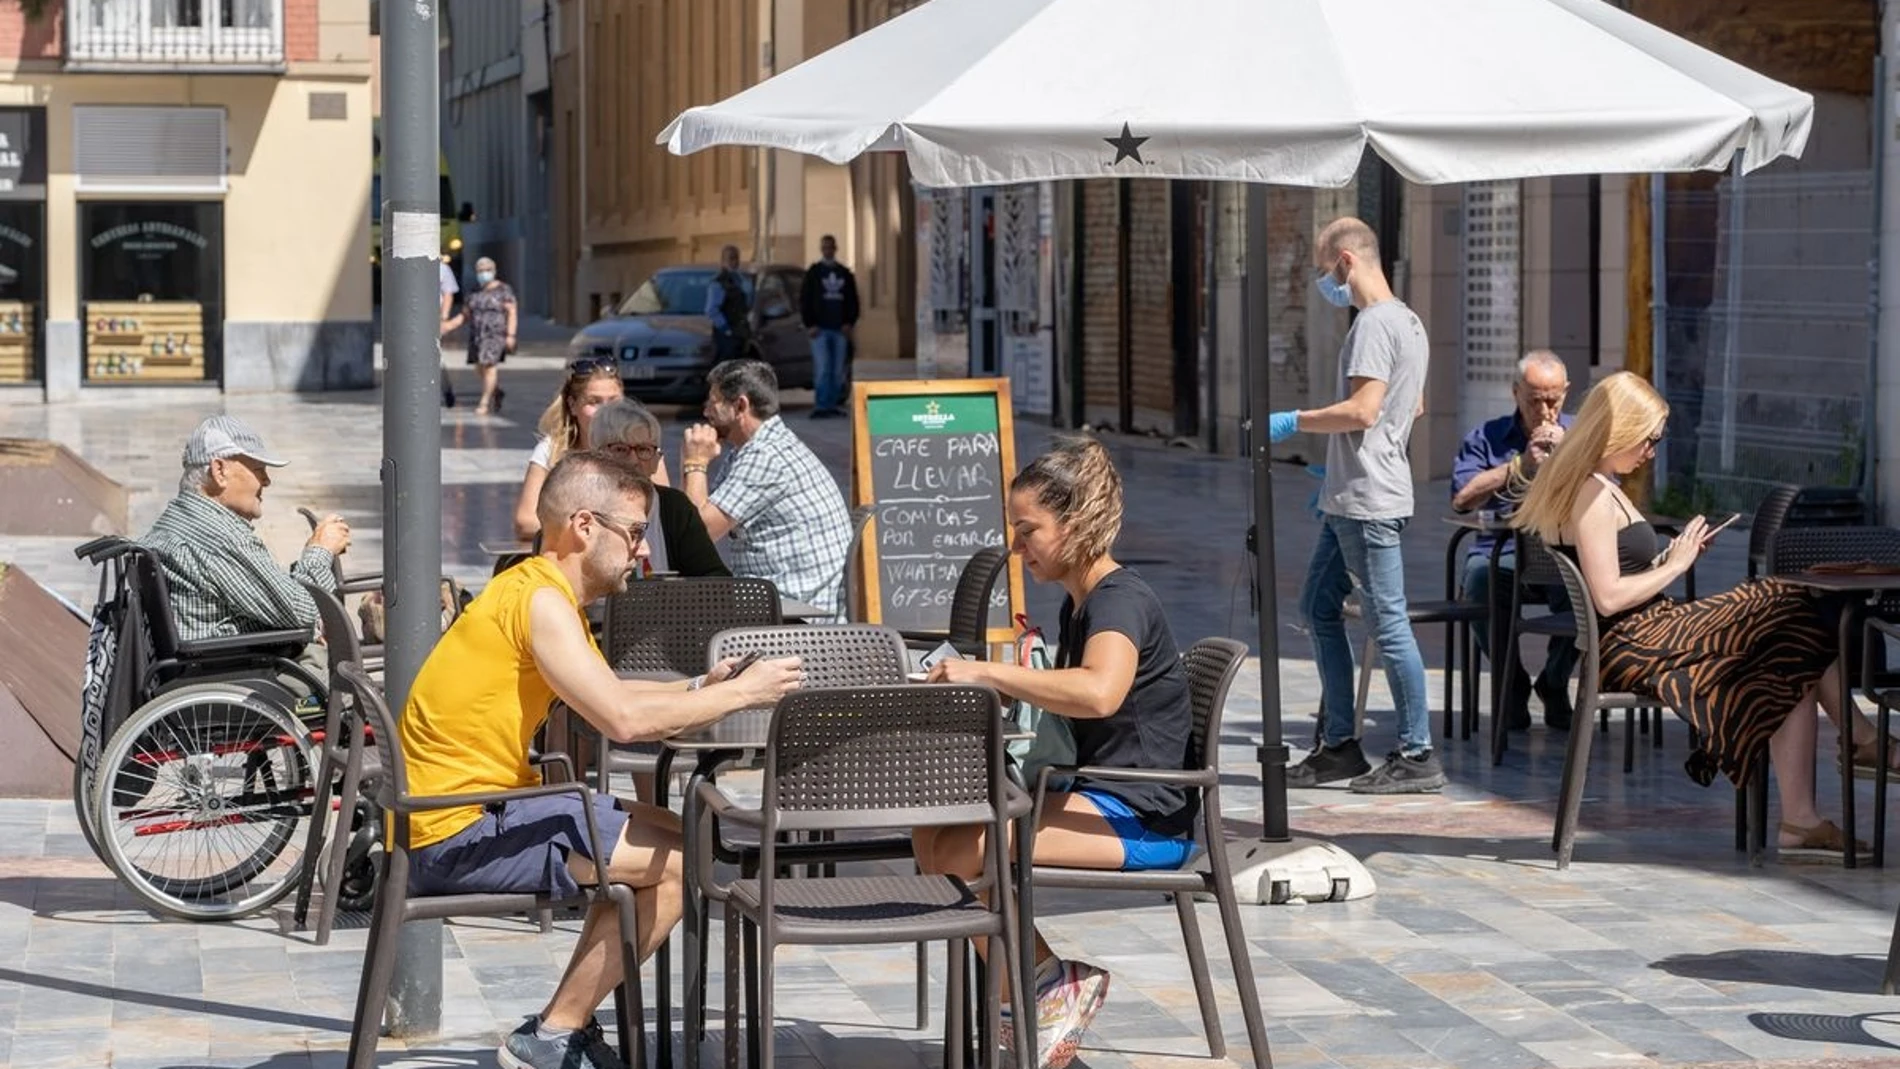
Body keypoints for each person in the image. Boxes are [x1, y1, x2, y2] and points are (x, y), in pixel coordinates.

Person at [398, 450, 802, 1069]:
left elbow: (606, 692)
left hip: (475, 811)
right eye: (635, 532)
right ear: (584, 525)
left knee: (679, 836)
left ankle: (563, 1023)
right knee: (674, 864)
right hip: (455, 829)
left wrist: (701, 686)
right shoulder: (542, 604)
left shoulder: (534, 589)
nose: (644, 551)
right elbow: (620, 721)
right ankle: (556, 1031)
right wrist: (744, 692)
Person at [1513, 371, 1894, 856]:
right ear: (1621, 430)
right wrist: (1675, 564)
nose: (1651, 452)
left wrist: (1668, 557)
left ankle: (1802, 821)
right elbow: (1607, 597)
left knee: (1792, 646)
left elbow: (1615, 574)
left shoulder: (1595, 482)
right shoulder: (1589, 492)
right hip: (1635, 642)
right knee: (1789, 599)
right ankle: (1862, 740)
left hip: (1650, 627)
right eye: (1649, 440)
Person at [916, 436, 1192, 1069]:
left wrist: (991, 675)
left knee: (961, 850)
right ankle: (1042, 989)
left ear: (1076, 522)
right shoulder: (1080, 603)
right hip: (1100, 793)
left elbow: (1099, 692)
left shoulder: (1117, 599)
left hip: (1143, 815)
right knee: (935, 836)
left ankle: (1044, 986)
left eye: (1027, 529)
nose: (1016, 547)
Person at [1276, 216, 1443, 794]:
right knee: (1318, 608)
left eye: (1326, 273)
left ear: (1346, 261)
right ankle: (1340, 746)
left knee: (1387, 623)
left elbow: (1364, 410)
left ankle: (1418, 754)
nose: (1328, 286)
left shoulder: (1373, 324)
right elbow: (1413, 406)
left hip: (1369, 499)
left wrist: (1294, 421)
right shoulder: (1411, 322)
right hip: (1354, 493)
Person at [140, 415, 351, 697]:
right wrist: (319, 551)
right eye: (258, 468)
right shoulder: (216, 536)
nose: (267, 480)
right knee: (354, 678)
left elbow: (277, 598)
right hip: (235, 674)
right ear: (219, 471)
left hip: (217, 664)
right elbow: (305, 614)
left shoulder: (181, 520)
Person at [1451, 349, 1579, 730]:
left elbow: (1611, 491)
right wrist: (1521, 464)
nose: (1544, 410)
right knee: (1477, 582)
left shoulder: (1580, 434)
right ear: (1516, 393)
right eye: (1534, 399)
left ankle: (1554, 682)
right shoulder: (1486, 437)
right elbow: (1462, 498)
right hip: (1501, 552)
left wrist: (1570, 459)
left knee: (1594, 593)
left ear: (1566, 393)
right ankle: (1512, 683)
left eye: (1553, 399)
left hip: (1563, 551)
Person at [678, 359, 852, 616]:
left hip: (798, 615)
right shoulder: (752, 449)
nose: (705, 412)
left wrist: (695, 461)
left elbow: (697, 534)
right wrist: (691, 462)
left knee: (681, 616)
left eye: (713, 402)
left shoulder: (766, 456)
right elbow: (694, 516)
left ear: (740, 406)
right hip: (782, 597)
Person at [589, 399, 729, 578]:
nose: (633, 460)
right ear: (596, 456)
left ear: (657, 460)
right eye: (620, 449)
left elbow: (714, 577)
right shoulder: (582, 508)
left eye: (644, 449)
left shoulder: (675, 507)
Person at [513, 361, 627, 541]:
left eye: (614, 401)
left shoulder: (642, 450)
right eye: (594, 402)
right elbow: (525, 522)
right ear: (572, 405)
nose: (605, 412)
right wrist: (588, 532)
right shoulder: (551, 451)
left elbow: (662, 517)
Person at [441, 255, 517, 415]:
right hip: (477, 336)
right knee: (479, 367)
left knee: (489, 366)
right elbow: (465, 314)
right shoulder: (474, 292)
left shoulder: (504, 290)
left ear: (494, 271)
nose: (484, 273)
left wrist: (511, 335)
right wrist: (448, 325)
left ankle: (484, 402)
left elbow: (512, 312)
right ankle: (495, 391)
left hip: (495, 335)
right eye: (481, 270)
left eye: (487, 270)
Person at [801, 234, 861, 419]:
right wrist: (810, 324)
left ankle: (834, 404)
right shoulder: (814, 273)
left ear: (835, 248)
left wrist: (849, 323)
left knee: (837, 371)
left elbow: (853, 301)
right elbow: (805, 300)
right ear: (821, 249)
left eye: (830, 247)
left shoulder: (844, 273)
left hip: (839, 329)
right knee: (823, 368)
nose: (828, 250)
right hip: (819, 330)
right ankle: (821, 405)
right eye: (825, 247)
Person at [703, 244, 752, 362]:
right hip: (726, 336)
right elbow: (711, 310)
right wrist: (726, 329)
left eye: (736, 258)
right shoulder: (718, 283)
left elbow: (747, 303)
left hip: (740, 334)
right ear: (723, 261)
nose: (734, 262)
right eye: (731, 258)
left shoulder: (740, 280)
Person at [438, 258, 460, 408]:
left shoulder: (442, 269)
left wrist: (444, 318)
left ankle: (446, 391)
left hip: (434, 317)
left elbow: (448, 294)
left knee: (434, 356)